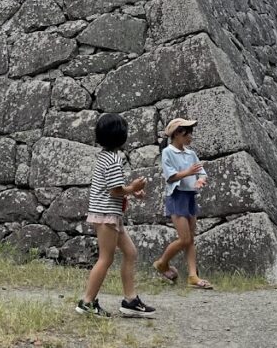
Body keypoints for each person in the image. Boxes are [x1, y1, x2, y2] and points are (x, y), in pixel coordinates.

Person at [76, 113, 157, 319]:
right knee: (106, 258)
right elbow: (115, 191)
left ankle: (130, 301)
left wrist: (132, 191)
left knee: (130, 253)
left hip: (110, 215)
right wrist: (134, 187)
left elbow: (114, 187)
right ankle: (87, 302)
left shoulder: (105, 157)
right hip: (106, 215)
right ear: (120, 136)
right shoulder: (113, 159)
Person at [153, 117, 213, 289]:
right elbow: (170, 176)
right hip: (177, 196)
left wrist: (201, 179)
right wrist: (188, 172)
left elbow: (201, 172)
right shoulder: (168, 152)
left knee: (190, 239)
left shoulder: (191, 153)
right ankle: (162, 263)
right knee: (184, 239)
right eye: (188, 133)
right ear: (178, 134)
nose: (191, 137)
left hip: (189, 196)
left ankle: (193, 276)